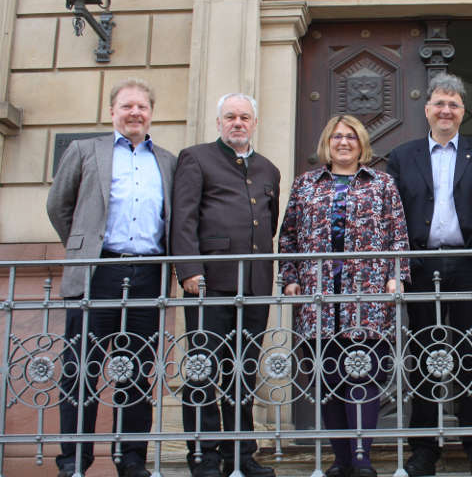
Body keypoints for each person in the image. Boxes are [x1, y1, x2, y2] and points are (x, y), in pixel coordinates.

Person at [46, 78, 176, 477]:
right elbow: (58, 205)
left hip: (148, 274)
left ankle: (130, 459)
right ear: (112, 111)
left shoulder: (167, 160)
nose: (135, 113)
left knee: (137, 371)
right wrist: (83, 248)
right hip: (97, 272)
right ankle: (74, 462)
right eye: (127, 106)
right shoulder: (86, 151)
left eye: (142, 107)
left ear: (151, 113)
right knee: (81, 369)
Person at [387, 72, 472, 477]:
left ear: (463, 112)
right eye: (439, 103)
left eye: (453, 104)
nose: (445, 110)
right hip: (420, 267)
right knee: (422, 358)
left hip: (470, 266)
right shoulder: (403, 156)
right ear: (427, 110)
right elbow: (392, 219)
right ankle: (424, 451)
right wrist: (398, 269)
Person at [279, 115, 410, 477]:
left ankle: (361, 457)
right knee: (327, 378)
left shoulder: (381, 184)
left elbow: (398, 235)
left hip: (366, 294)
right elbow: (288, 236)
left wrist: (395, 278)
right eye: (336, 136)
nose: (343, 142)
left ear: (361, 143)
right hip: (318, 295)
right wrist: (290, 277)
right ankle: (340, 460)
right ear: (327, 143)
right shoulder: (305, 185)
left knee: (362, 374)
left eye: (351, 136)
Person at [171, 93, 279, 477]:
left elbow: (268, 225)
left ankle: (241, 454)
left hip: (254, 285)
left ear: (254, 122)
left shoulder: (268, 169)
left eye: (244, 117)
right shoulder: (196, 158)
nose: (238, 122)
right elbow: (182, 218)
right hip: (208, 283)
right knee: (203, 368)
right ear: (219, 123)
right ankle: (203, 455)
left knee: (243, 371)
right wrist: (188, 268)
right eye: (230, 117)